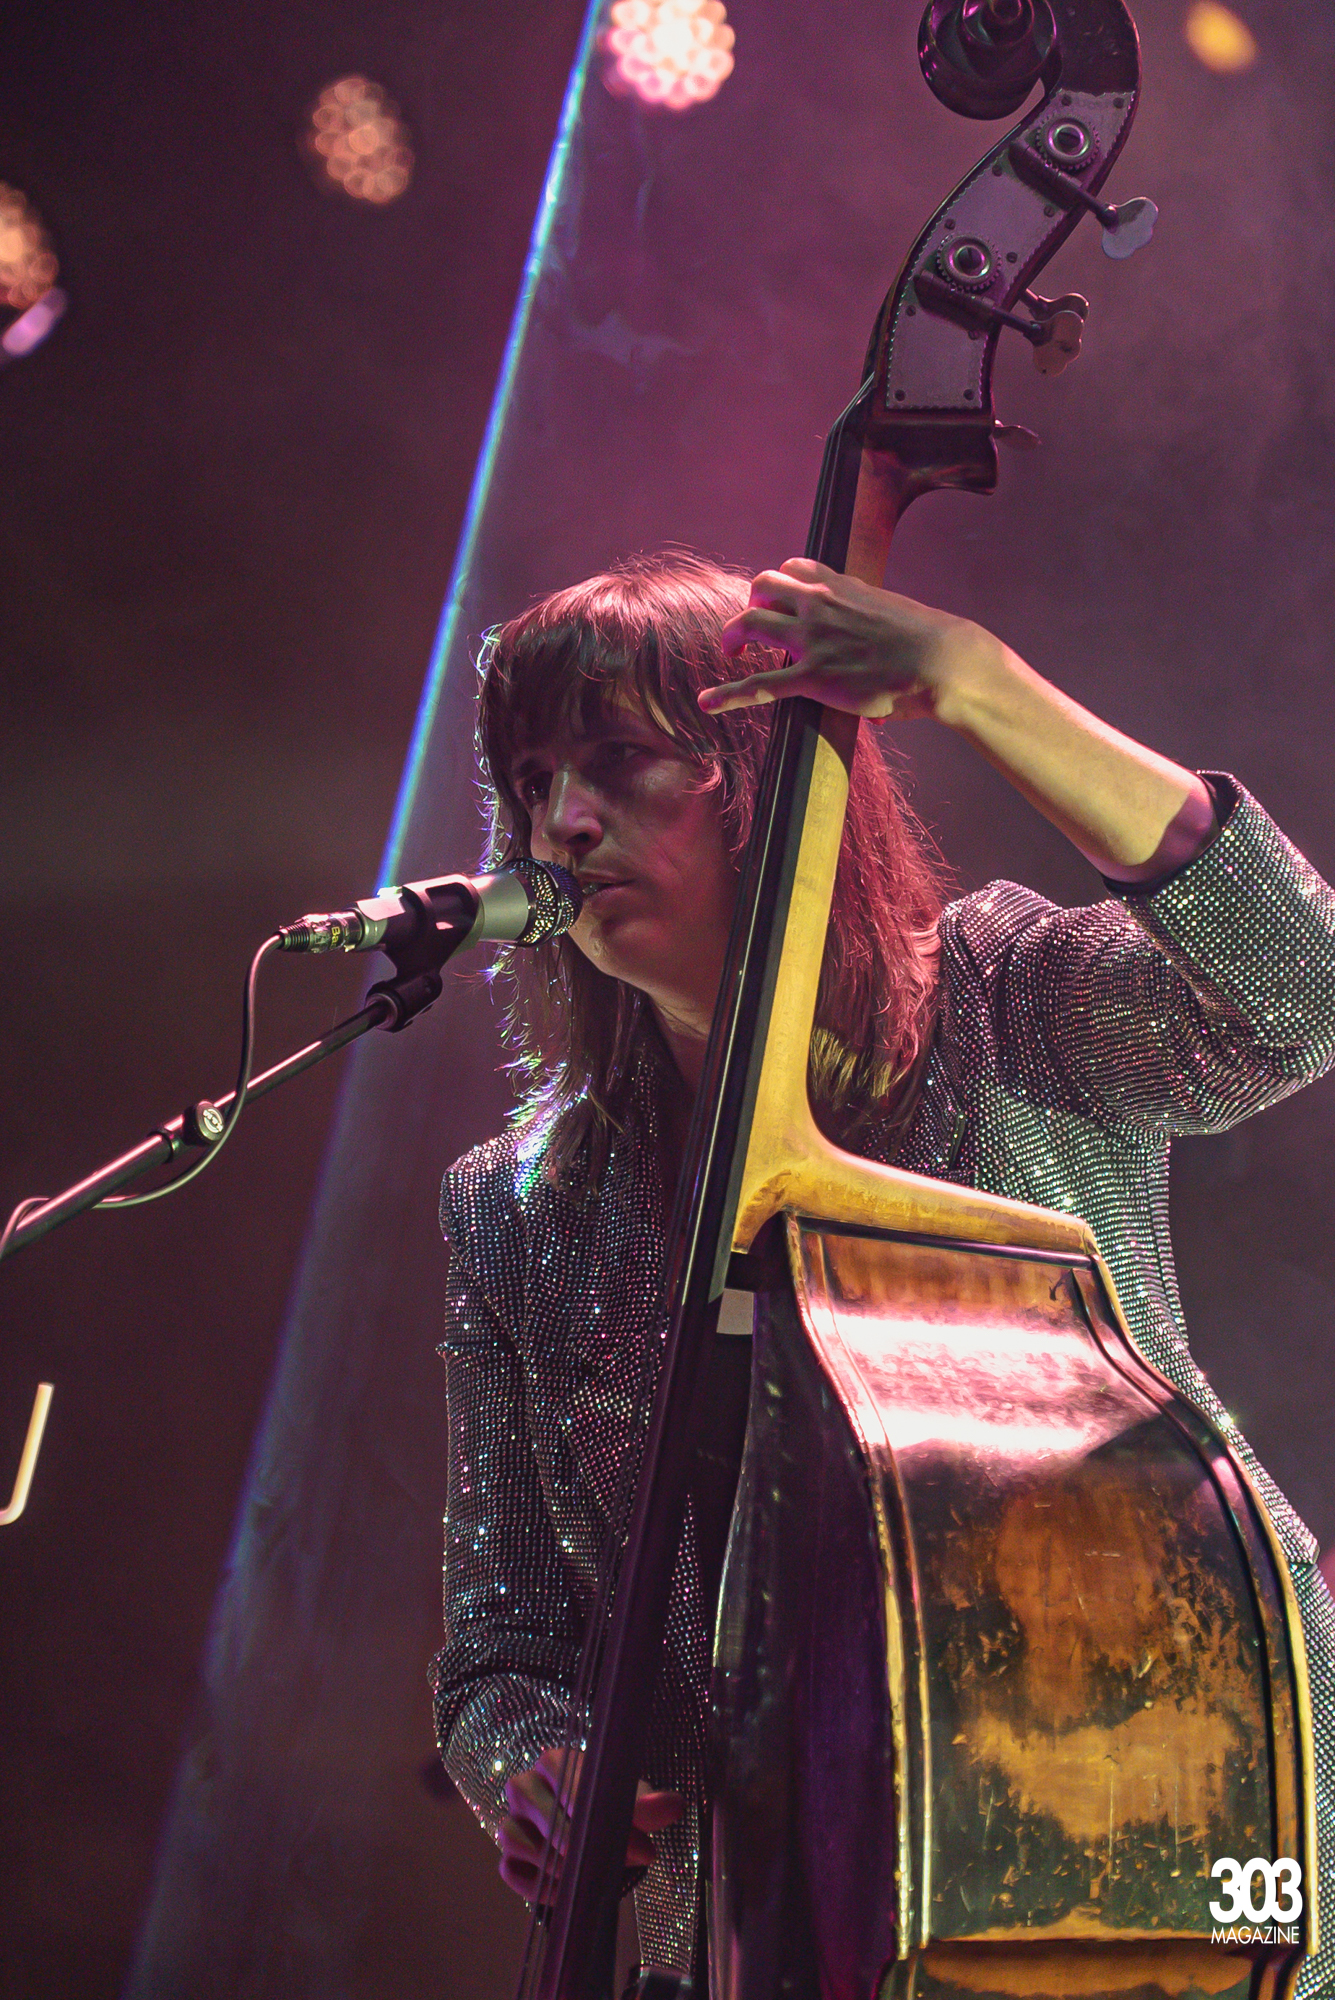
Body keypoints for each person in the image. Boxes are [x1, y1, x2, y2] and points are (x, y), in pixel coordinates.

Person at [431, 552, 1335, 1988]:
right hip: (761, 1923)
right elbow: (506, 1644)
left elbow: (1299, 993)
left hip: (1151, 1817)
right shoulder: (519, 1207)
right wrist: (532, 1765)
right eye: (533, 782)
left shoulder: (1003, 1001)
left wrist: (979, 685)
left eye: (619, 762)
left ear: (758, 773)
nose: (563, 822)